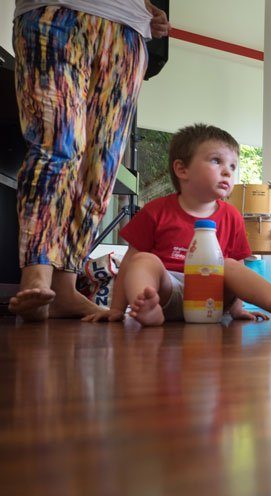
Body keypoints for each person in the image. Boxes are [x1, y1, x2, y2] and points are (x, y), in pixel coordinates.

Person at [9, 0, 170, 321]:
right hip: (53, 12)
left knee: (100, 169)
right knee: (57, 145)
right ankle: (36, 272)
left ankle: (65, 286)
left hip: (128, 29)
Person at [82, 124, 271, 327]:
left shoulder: (232, 216)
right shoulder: (155, 211)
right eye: (216, 161)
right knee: (142, 260)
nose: (228, 171)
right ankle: (147, 308)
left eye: (232, 166)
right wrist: (116, 309)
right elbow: (130, 262)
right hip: (167, 292)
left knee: (229, 264)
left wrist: (237, 308)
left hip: (212, 296)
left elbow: (238, 266)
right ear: (182, 169)